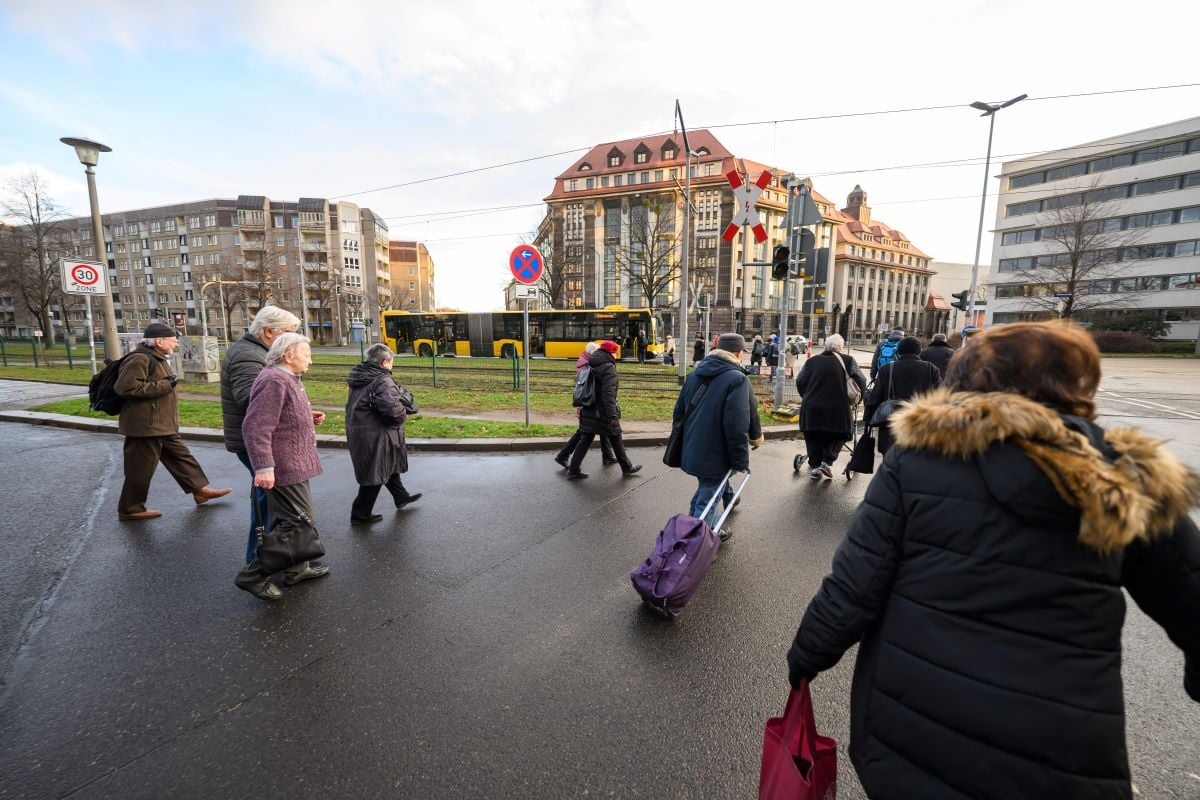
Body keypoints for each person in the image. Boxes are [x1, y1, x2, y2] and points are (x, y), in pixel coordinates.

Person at [786, 321, 1200, 799]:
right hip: (1059, 746)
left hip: (915, 722)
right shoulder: (1125, 475)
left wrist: (807, 658)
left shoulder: (922, 459)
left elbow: (855, 582)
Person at [236, 333, 330, 601]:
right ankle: (252, 576)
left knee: (288, 521)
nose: (310, 360)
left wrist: (305, 417)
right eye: (306, 354)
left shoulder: (287, 378)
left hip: (293, 463)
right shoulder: (275, 380)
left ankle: (297, 570)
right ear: (288, 355)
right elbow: (255, 426)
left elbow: (278, 416)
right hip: (285, 466)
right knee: (298, 525)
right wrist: (264, 467)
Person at [114, 321, 231, 521]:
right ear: (159, 341)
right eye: (172, 340)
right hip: (145, 427)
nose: (176, 343)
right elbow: (125, 388)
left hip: (160, 424)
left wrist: (164, 385)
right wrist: (165, 386)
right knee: (140, 469)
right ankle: (130, 509)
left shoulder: (156, 357)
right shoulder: (140, 359)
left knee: (182, 458)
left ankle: (200, 490)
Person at [221, 305, 300, 563]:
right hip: (256, 442)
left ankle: (266, 558)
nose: (294, 340)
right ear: (268, 331)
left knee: (267, 501)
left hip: (257, 439)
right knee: (270, 503)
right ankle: (258, 562)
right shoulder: (248, 355)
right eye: (289, 333)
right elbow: (252, 403)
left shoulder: (258, 352)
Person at [671, 333, 752, 540]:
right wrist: (741, 460)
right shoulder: (737, 379)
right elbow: (736, 426)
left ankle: (710, 529)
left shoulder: (696, 373)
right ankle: (697, 545)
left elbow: (678, 412)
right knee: (708, 498)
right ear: (737, 352)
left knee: (706, 491)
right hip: (716, 452)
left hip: (693, 447)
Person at [345, 344, 422, 524]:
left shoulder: (361, 375)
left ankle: (401, 496)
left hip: (361, 429)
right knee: (376, 471)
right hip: (375, 432)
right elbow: (392, 410)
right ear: (385, 362)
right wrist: (403, 417)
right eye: (391, 362)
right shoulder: (383, 380)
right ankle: (360, 514)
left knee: (386, 464)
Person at [565, 340, 642, 479]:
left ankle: (573, 469)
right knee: (615, 436)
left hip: (588, 408)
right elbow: (608, 394)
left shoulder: (590, 362)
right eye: (616, 351)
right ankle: (627, 467)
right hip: (602, 412)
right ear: (612, 352)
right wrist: (613, 415)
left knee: (586, 438)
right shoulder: (608, 368)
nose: (617, 354)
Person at [794, 333, 867, 480]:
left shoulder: (812, 361)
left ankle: (815, 468)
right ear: (839, 347)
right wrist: (858, 398)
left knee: (813, 435)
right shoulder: (848, 360)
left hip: (811, 407)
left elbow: (800, 381)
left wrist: (807, 396)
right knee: (842, 433)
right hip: (837, 407)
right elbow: (861, 380)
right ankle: (826, 462)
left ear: (826, 346)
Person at [864, 336, 941, 455]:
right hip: (920, 424)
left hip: (891, 424)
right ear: (919, 351)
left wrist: (868, 419)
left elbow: (875, 397)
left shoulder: (887, 369)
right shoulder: (931, 369)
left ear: (899, 351)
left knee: (890, 463)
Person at [555, 342, 615, 468]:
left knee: (600, 427)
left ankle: (607, 455)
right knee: (584, 432)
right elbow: (588, 386)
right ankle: (563, 456)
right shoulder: (587, 364)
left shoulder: (585, 361)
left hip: (589, 403)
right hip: (587, 403)